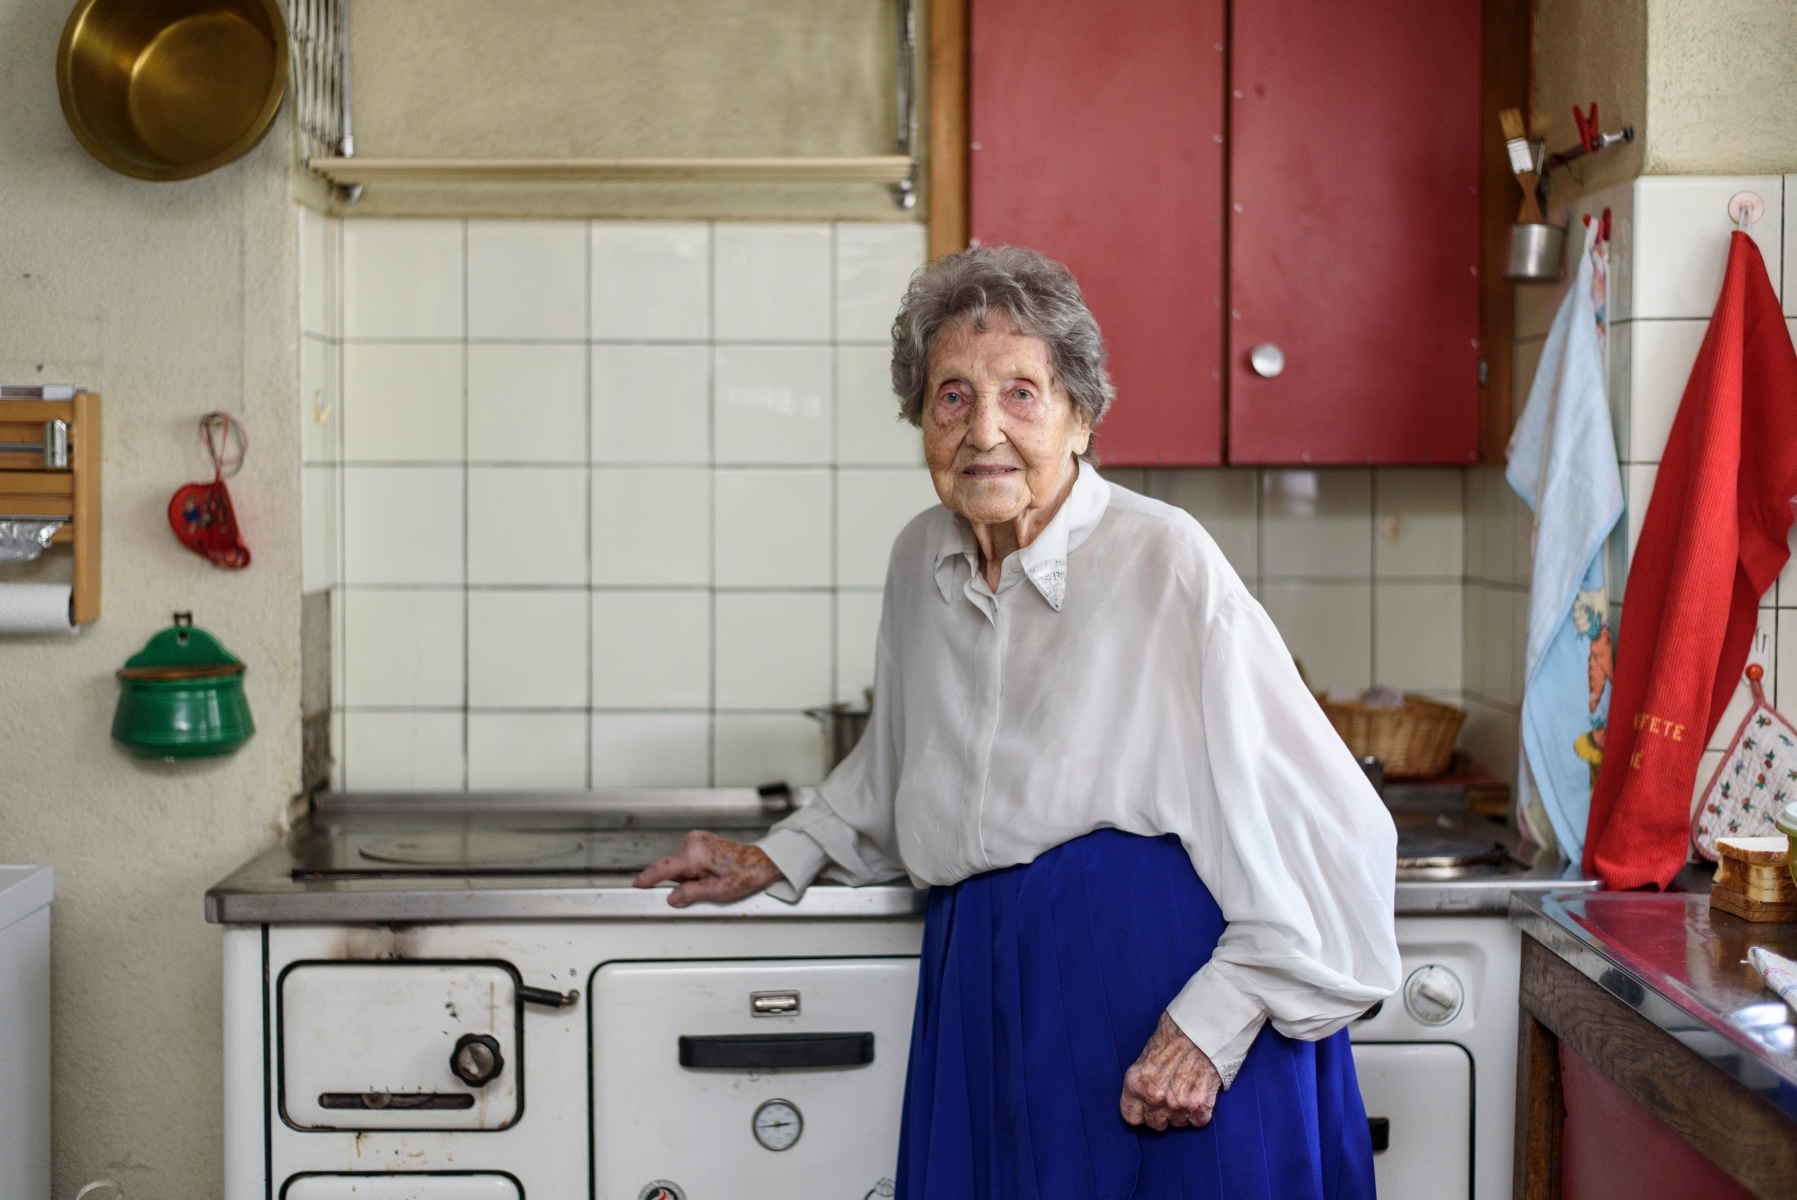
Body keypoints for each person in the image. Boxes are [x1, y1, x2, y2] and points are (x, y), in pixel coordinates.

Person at [636, 244, 1399, 1199]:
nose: (983, 429)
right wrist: (780, 853)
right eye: (951, 396)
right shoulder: (922, 558)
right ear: (920, 419)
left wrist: (1216, 1015)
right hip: (984, 982)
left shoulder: (1163, 560)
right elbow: (903, 762)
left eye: (1023, 394)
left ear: (1082, 417)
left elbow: (1334, 823)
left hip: (1159, 989)